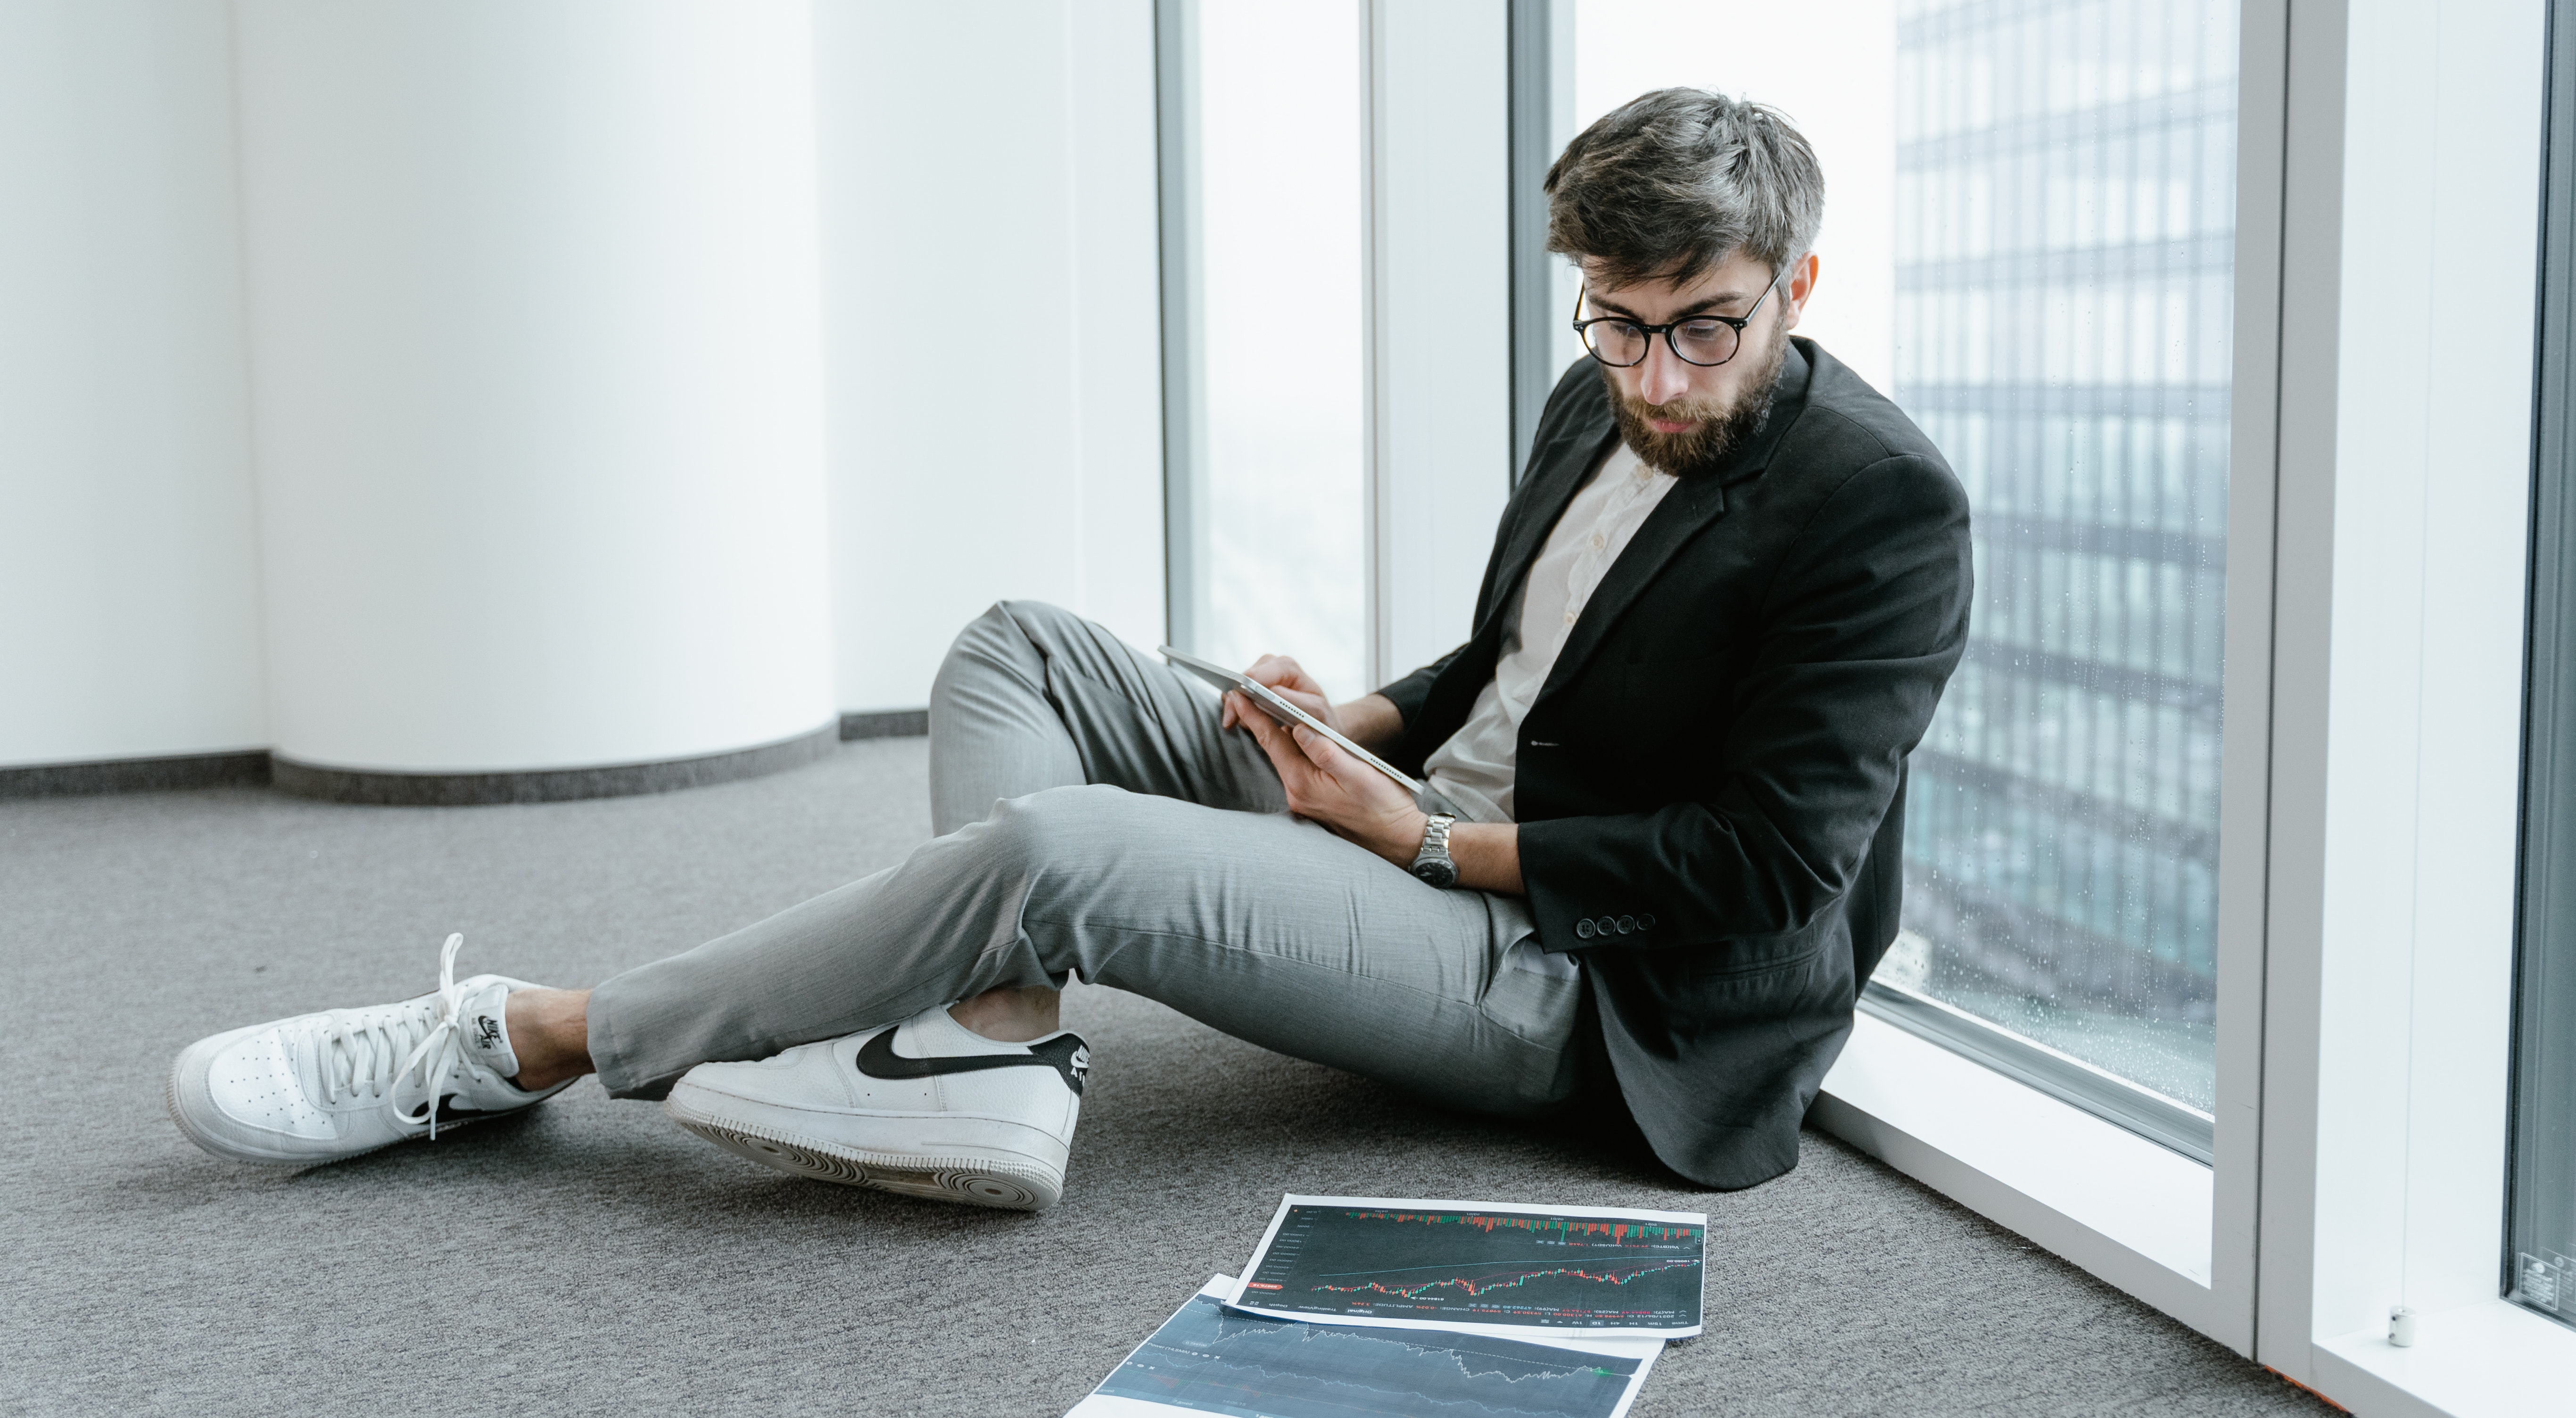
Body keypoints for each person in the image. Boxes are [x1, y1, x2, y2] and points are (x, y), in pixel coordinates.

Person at [167, 89, 1973, 1207]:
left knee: (1056, 850)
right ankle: (992, 1045)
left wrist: (1423, 839)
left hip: (1579, 976)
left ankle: (535, 1038)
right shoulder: (1604, 396)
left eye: (1704, 333)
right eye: (1620, 325)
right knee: (1019, 644)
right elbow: (1525, 654)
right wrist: (1344, 726)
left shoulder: (1887, 508)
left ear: (1797, 285)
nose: (1653, 377)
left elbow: (1768, 866)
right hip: (1419, 809)